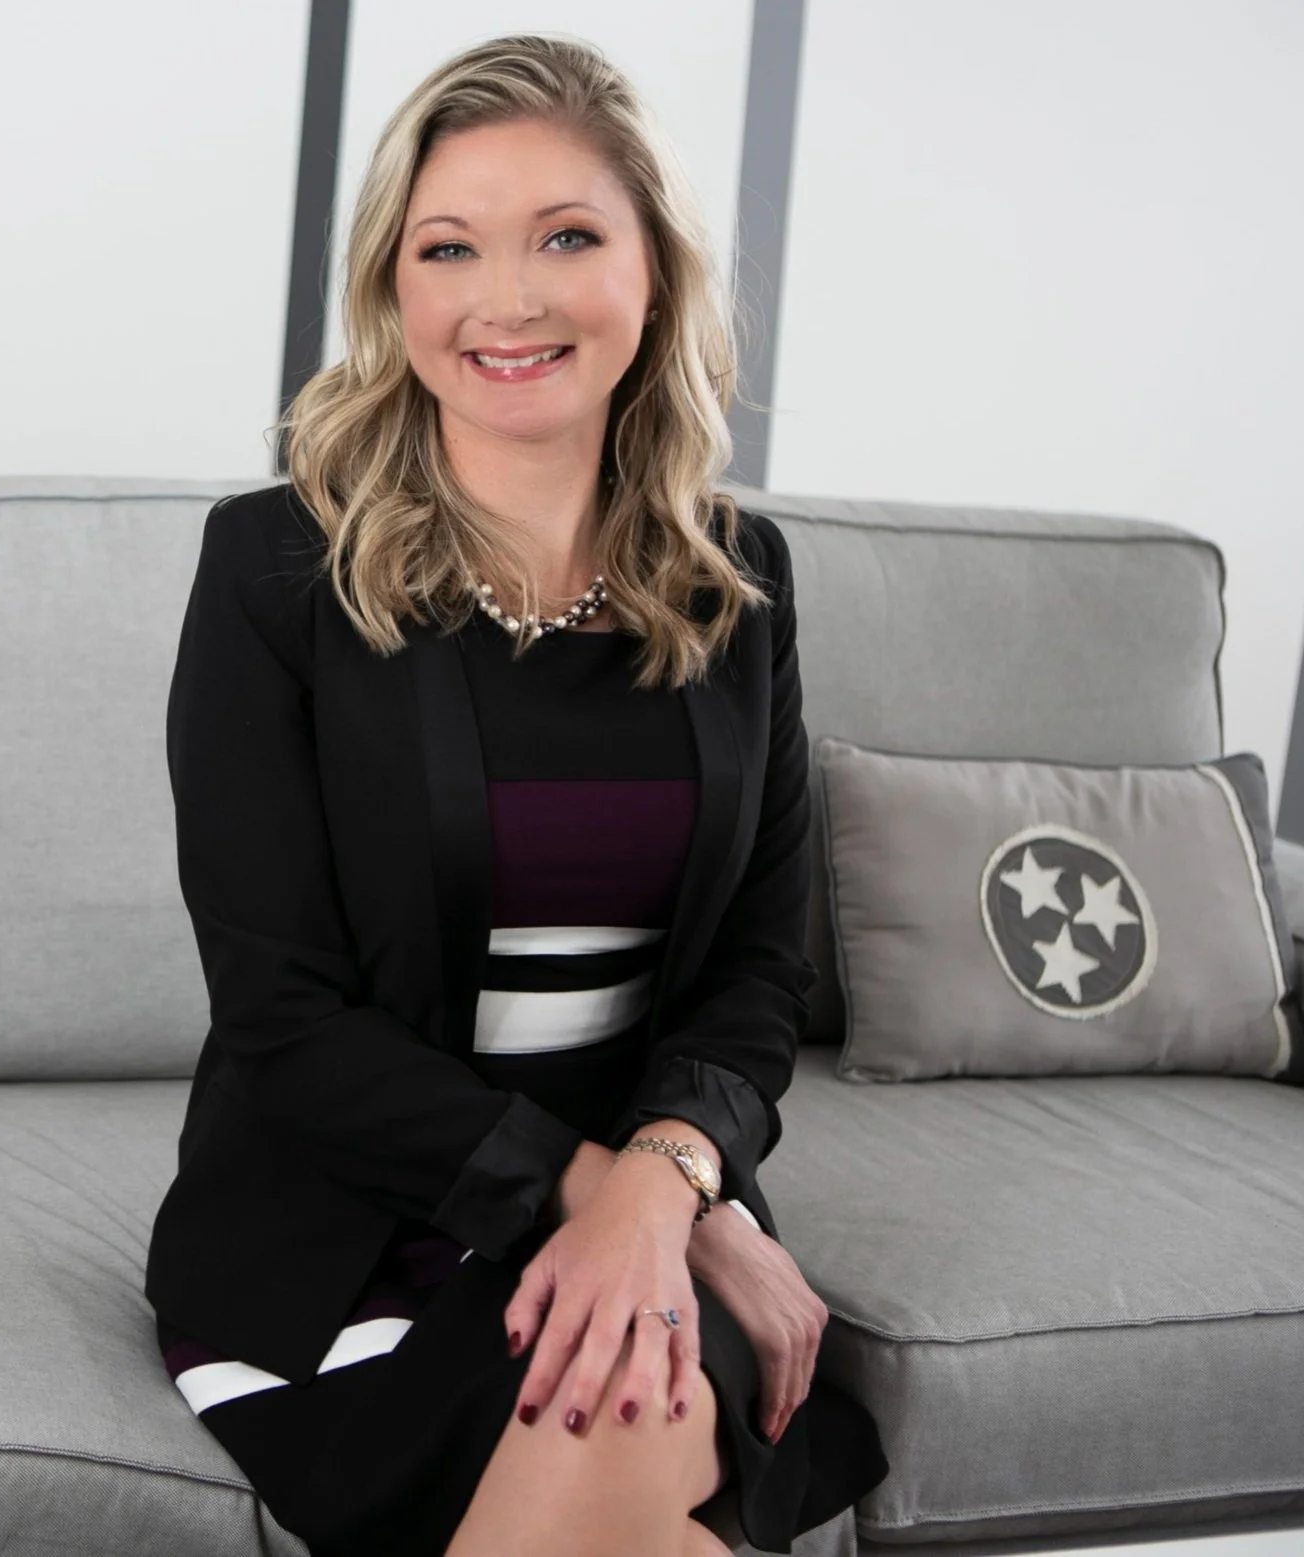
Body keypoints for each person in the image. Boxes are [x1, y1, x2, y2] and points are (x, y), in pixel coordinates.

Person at [142, 31, 889, 1557]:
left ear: (654, 272)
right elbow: (283, 1017)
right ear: (393, 289)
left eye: (566, 237)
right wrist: (620, 1201)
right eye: (449, 247)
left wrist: (671, 1193)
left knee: (629, 1380)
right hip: (339, 1239)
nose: (509, 297)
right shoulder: (274, 572)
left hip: (643, 1211)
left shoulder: (741, 586)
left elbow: (757, 977)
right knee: (622, 1400)